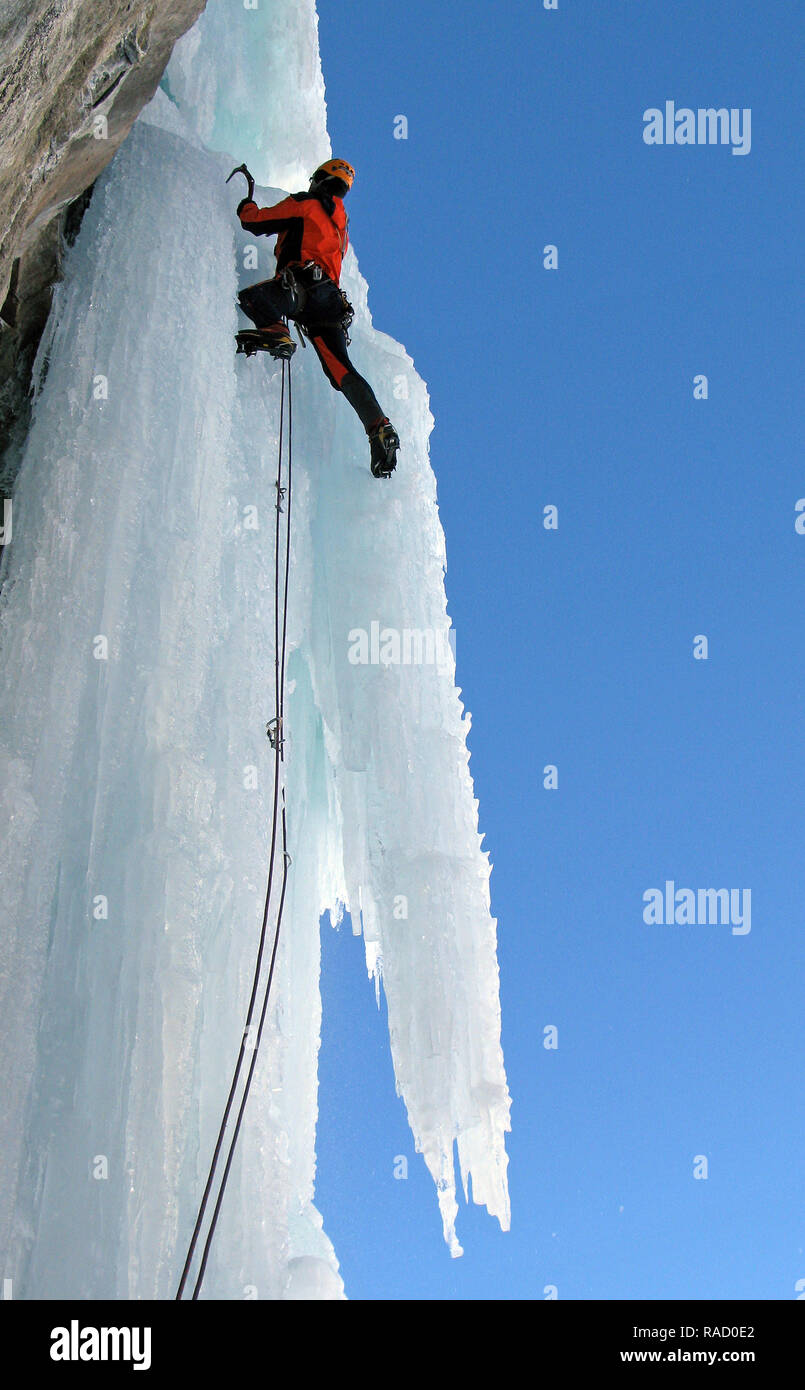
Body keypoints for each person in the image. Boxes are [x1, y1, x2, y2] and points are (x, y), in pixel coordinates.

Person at [233, 159, 399, 479]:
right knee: (340, 371)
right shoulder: (341, 225)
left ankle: (275, 331)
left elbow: (255, 222)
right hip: (330, 305)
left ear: (320, 179)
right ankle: (379, 428)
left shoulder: (305, 203)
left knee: (254, 300)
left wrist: (246, 205)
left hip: (303, 288)